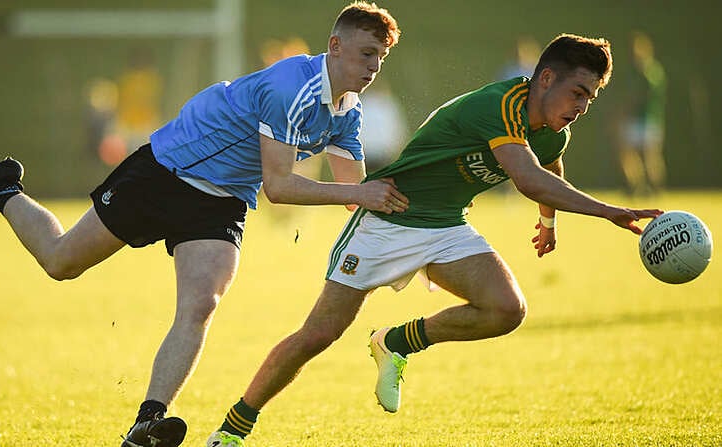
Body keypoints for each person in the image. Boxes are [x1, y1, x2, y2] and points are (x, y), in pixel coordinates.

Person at [0, 3, 405, 447]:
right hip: (167, 169)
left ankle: (147, 421)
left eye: (380, 59)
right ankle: (2, 191)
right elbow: (280, 188)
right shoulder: (292, 88)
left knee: (201, 303)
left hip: (219, 202)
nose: (372, 68)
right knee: (60, 262)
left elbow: (356, 193)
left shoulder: (347, 112)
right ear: (335, 46)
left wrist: (415, 227)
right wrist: (360, 195)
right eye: (366, 54)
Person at [206, 33, 663, 447]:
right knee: (317, 335)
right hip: (388, 217)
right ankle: (233, 429)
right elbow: (527, 178)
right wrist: (608, 210)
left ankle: (397, 341)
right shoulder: (503, 104)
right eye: (578, 92)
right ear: (545, 78)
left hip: (445, 226)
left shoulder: (551, 130)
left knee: (507, 309)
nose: (582, 106)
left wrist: (549, 222)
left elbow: (550, 168)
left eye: (591, 98)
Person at [615, 31, 667, 197]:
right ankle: (636, 186)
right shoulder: (649, 71)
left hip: (646, 120)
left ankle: (654, 188)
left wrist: (622, 112)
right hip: (639, 120)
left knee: (649, 156)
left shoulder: (649, 72)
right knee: (629, 154)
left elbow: (637, 97)